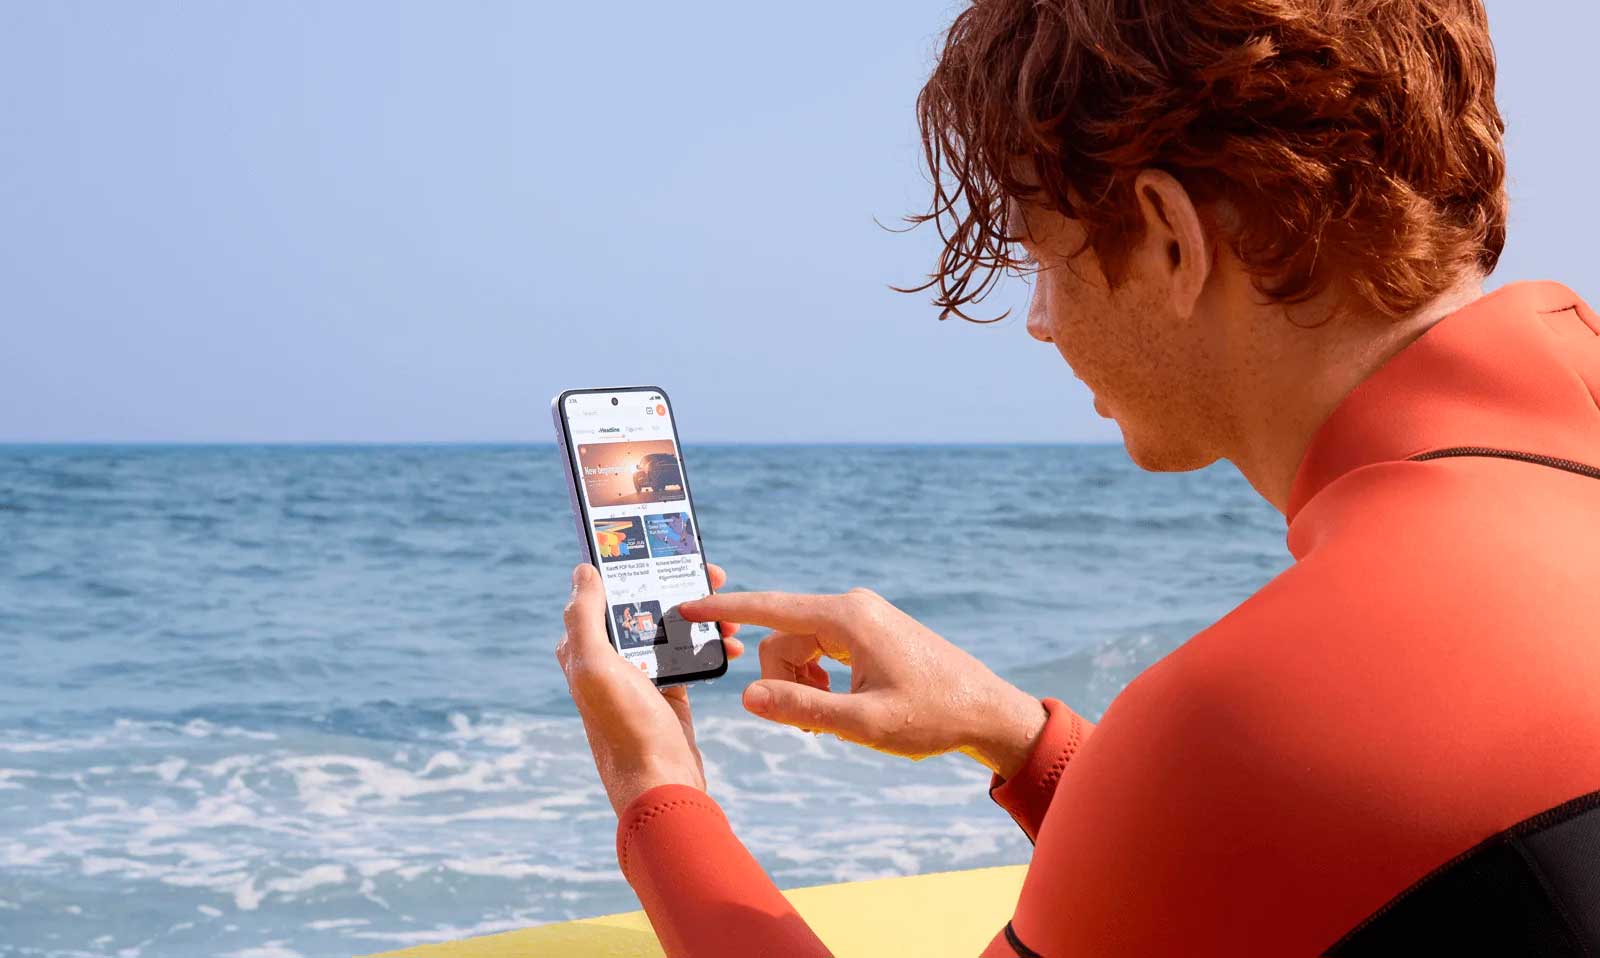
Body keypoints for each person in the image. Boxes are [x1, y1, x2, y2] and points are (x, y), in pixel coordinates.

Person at [556, 0, 1600, 953]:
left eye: (1039, 256)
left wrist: (656, 790)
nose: (1041, 321)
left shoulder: (1244, 722)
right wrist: (1017, 737)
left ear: (1170, 238)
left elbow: (1261, 788)